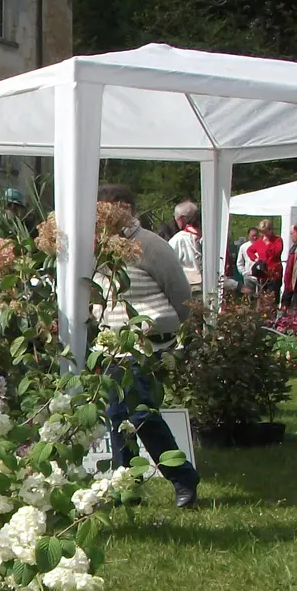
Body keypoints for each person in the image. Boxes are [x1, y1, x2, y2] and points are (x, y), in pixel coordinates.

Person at [94, 182, 200, 508]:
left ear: (125, 208)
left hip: (147, 346)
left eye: (106, 209)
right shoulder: (97, 249)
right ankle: (128, 485)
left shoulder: (151, 246)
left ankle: (182, 477)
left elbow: (181, 296)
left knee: (141, 414)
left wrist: (162, 330)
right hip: (112, 345)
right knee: (116, 416)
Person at [168, 200, 202, 289]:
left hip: (187, 288)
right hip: (210, 286)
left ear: (182, 219)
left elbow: (166, 266)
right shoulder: (209, 236)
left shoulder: (177, 240)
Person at [250, 219, 284, 301]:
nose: (263, 234)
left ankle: (272, 312)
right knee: (262, 297)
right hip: (262, 273)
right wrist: (255, 259)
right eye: (262, 232)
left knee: (273, 296)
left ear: (270, 230)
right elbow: (250, 250)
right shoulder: (260, 241)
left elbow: (276, 252)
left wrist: (268, 244)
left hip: (274, 273)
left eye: (265, 232)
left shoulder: (278, 240)